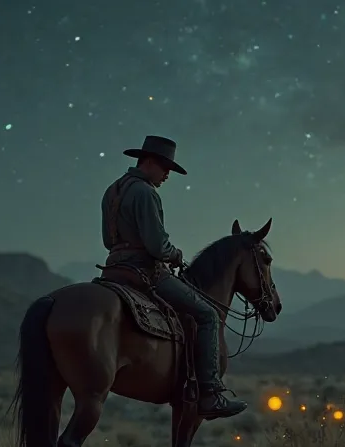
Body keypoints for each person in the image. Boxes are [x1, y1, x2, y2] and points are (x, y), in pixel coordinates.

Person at [100, 135, 247, 420]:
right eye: (165, 167)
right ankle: (209, 392)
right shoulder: (145, 192)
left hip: (114, 269)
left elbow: (109, 239)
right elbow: (156, 245)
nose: (167, 175)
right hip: (145, 272)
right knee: (207, 315)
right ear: (149, 162)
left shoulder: (112, 191)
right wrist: (176, 254)